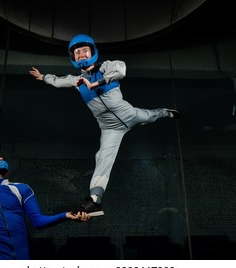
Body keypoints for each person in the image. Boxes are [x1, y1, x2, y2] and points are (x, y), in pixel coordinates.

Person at [29, 34, 180, 217]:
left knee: (149, 115)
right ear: (73, 57)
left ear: (92, 52)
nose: (82, 54)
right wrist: (43, 77)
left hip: (129, 114)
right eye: (77, 52)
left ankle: (166, 112)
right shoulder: (77, 81)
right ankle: (94, 200)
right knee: (103, 158)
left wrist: (96, 83)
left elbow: (121, 70)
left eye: (85, 50)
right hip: (110, 128)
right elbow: (58, 81)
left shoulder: (106, 67)